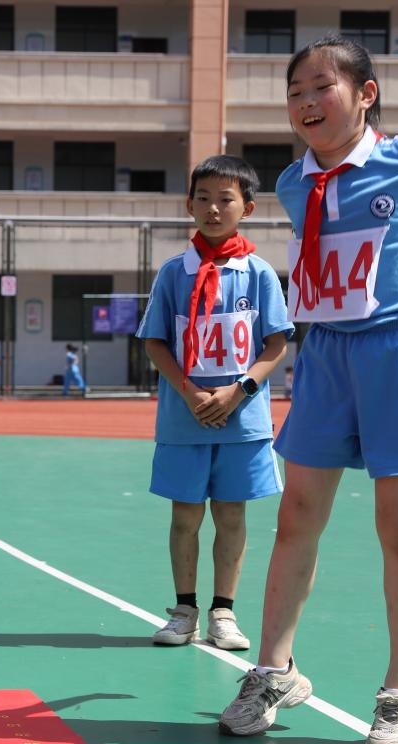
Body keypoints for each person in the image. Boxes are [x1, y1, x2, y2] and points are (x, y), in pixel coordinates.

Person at [218, 37, 398, 744]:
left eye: (322, 88)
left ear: (364, 94)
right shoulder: (289, 183)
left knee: (396, 527)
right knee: (295, 514)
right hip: (326, 354)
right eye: (295, 92)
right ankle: (273, 672)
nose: (306, 102)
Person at [136, 155, 292, 652]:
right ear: (188, 205)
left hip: (242, 421)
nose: (212, 208)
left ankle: (224, 612)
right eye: (202, 198)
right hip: (185, 420)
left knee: (231, 515)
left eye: (225, 199)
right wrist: (191, 391)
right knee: (185, 515)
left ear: (246, 207)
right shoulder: (173, 274)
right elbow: (155, 341)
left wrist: (238, 390)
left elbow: (275, 344)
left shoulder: (260, 274)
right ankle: (184, 611)